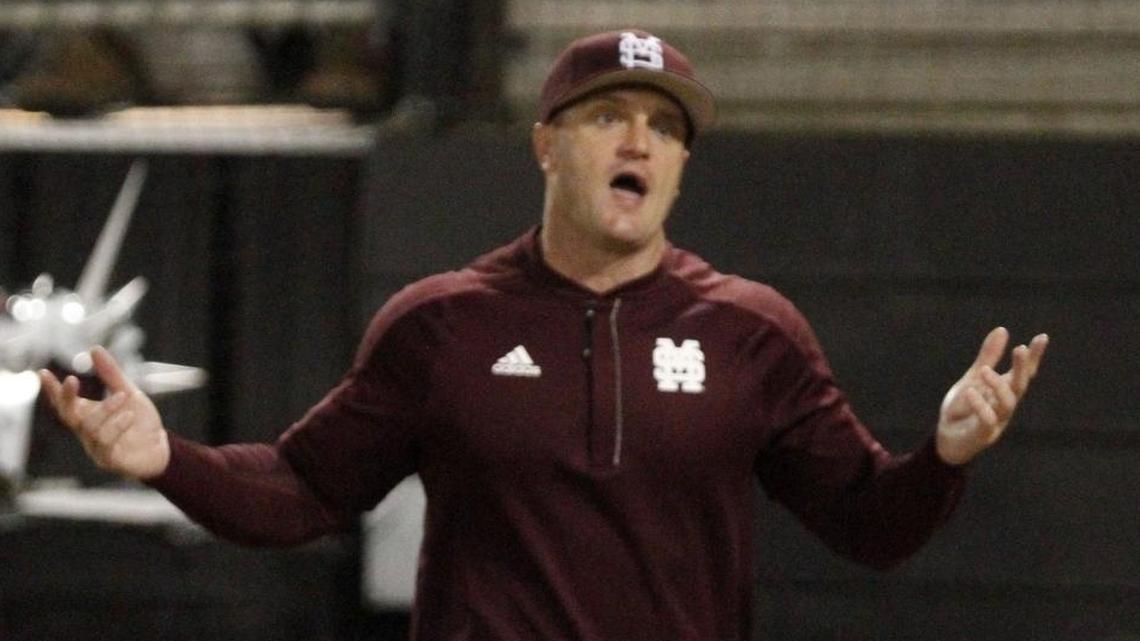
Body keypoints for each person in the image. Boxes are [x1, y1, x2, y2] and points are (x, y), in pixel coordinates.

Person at [38, 29, 1048, 641]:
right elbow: (302, 487)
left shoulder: (753, 333)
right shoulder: (442, 322)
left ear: (681, 166)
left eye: (666, 127)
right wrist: (165, 458)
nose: (640, 139)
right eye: (609, 116)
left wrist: (946, 455)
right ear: (546, 145)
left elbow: (872, 525)